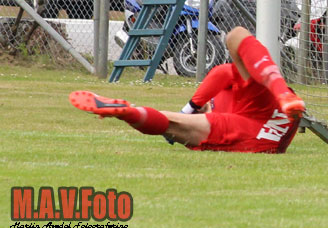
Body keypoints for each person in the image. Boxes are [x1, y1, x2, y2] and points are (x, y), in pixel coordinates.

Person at [70, 27, 306, 152]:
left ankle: (129, 112)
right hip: (271, 118)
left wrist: (189, 108)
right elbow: (223, 72)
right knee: (236, 35)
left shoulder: (219, 99)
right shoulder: (221, 105)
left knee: (172, 123)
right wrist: (191, 108)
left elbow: (223, 73)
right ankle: (282, 91)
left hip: (261, 130)